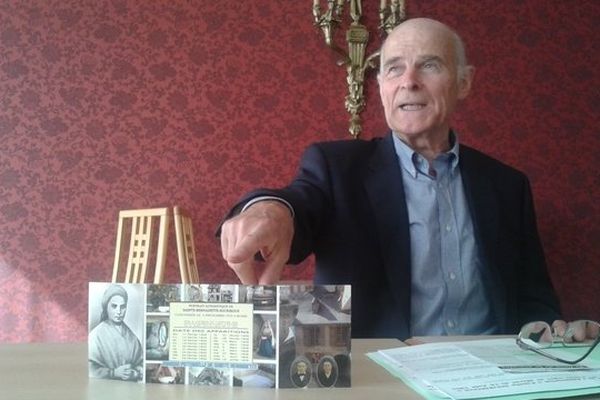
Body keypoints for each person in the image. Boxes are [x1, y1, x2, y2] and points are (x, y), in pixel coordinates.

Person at [219, 17, 562, 340]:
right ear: (381, 85)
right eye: (394, 68)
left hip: (491, 374)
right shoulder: (336, 168)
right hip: (384, 374)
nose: (409, 81)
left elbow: (534, 299)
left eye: (429, 65)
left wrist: (551, 333)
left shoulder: (507, 185)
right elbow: (299, 203)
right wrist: (271, 211)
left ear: (463, 82)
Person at [88, 284, 143, 381]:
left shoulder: (132, 338)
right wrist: (113, 373)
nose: (119, 311)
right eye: (114, 306)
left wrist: (135, 373)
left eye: (122, 307)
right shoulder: (95, 336)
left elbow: (142, 364)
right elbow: (89, 369)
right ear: (106, 307)